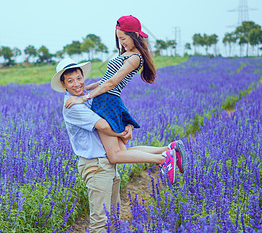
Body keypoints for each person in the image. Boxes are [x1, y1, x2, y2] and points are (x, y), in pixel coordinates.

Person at [51, 58, 184, 232]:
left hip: (108, 164)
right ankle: (164, 156)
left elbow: (108, 108)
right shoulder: (73, 106)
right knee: (100, 221)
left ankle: (168, 150)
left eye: (79, 78)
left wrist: (127, 126)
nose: (77, 83)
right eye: (70, 81)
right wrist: (121, 132)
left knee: (113, 216)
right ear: (63, 84)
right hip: (95, 167)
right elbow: (104, 125)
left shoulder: (84, 98)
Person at [64, 15, 187, 182]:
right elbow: (107, 79)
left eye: (123, 38)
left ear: (134, 36)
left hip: (107, 101)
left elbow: (113, 82)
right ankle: (169, 149)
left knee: (115, 156)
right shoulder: (127, 53)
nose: (121, 42)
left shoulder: (135, 58)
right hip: (107, 99)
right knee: (122, 150)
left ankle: (164, 159)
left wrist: (84, 98)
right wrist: (88, 86)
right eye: (119, 38)